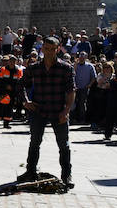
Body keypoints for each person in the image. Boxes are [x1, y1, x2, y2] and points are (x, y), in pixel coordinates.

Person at [18, 37, 76, 187]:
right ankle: (30, 171)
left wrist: (66, 110)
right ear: (42, 49)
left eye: (53, 49)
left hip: (58, 110)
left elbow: (71, 91)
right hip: (39, 110)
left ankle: (67, 175)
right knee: (35, 142)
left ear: (58, 49)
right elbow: (21, 85)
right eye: (47, 48)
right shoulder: (34, 67)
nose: (49, 52)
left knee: (64, 145)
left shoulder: (66, 68)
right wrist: (26, 102)